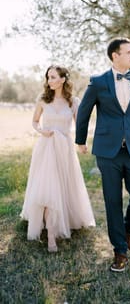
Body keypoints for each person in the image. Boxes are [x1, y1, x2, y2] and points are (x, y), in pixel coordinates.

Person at [75, 37, 130, 272]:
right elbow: (84, 111)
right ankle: (119, 250)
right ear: (115, 55)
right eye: (129, 52)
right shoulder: (98, 82)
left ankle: (127, 229)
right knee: (113, 201)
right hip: (107, 152)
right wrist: (80, 140)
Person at [20, 65, 96, 252]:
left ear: (63, 79)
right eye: (48, 77)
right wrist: (41, 131)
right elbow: (35, 121)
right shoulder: (43, 99)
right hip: (46, 148)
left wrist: (81, 143)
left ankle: (64, 219)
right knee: (48, 187)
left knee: (63, 185)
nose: (49, 80)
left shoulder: (73, 102)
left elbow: (80, 124)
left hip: (65, 149)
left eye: (53, 77)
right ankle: (51, 235)